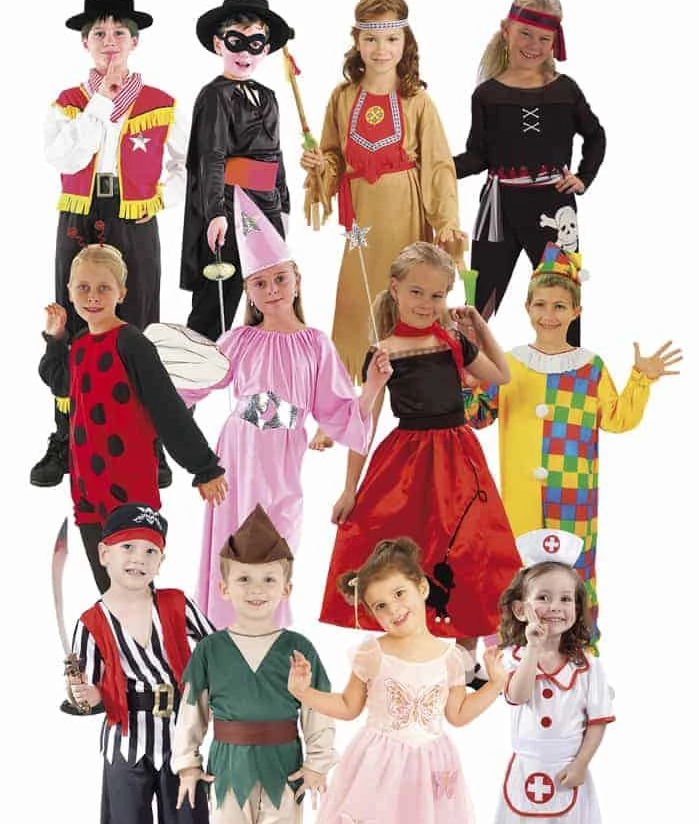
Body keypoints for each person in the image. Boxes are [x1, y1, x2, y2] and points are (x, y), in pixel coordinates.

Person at [155, 188, 390, 629]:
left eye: (280, 279)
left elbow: (340, 414)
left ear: (297, 279)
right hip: (237, 454)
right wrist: (157, 383)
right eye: (260, 283)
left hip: (282, 458)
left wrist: (373, 386)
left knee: (275, 544)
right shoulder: (240, 339)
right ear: (248, 291)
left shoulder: (315, 344)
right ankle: (223, 633)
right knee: (232, 541)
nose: (272, 290)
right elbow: (192, 387)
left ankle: (269, 634)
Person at [288, 537, 507, 824]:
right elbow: (348, 706)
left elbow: (458, 714)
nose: (393, 610)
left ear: (422, 588)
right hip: (375, 763)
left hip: (428, 769)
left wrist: (496, 684)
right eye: (380, 606)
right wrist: (304, 693)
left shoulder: (450, 657)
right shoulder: (372, 653)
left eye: (399, 594)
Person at [464, 243, 682, 647]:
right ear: (527, 308)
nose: (549, 314)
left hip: (573, 495)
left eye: (560, 306)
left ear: (575, 312)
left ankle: (577, 645)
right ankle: (514, 647)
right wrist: (465, 375)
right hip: (520, 497)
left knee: (573, 569)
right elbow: (478, 416)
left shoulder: (589, 367)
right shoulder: (508, 363)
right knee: (518, 567)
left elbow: (617, 419)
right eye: (541, 305)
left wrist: (641, 380)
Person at [319, 241, 521, 665]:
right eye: (416, 292)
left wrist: (479, 326)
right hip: (406, 464)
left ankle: (466, 654)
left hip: (458, 458)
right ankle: (407, 646)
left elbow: (501, 375)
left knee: (467, 547)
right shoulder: (383, 352)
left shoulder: (452, 341)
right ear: (395, 289)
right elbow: (364, 425)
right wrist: (349, 489)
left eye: (437, 295)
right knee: (408, 551)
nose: (426, 304)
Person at [32, 0, 186, 489]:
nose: (110, 41)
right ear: (85, 43)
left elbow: (187, 163)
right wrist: (101, 101)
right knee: (74, 317)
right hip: (80, 212)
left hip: (134, 215)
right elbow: (66, 158)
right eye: (99, 33)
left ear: (135, 42)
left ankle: (148, 440)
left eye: (119, 32)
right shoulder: (69, 102)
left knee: (138, 321)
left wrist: (157, 194)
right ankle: (67, 435)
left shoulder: (161, 103)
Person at [172, 505, 336, 824]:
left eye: (268, 579)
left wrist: (317, 763)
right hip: (229, 765)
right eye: (243, 579)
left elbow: (318, 708)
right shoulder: (210, 650)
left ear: (286, 587)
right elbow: (191, 711)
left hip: (284, 765)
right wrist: (187, 764)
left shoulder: (299, 648)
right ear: (224, 587)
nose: (256, 589)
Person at [67, 504, 217, 824]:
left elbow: (216, 649)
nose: (139, 558)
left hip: (179, 737)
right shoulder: (91, 622)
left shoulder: (175, 603)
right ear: (104, 554)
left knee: (191, 821)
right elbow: (91, 696)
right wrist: (83, 692)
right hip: (125, 738)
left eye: (150, 551)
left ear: (161, 560)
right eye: (128, 547)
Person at [38, 243, 228, 591]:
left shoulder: (132, 343)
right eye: (83, 287)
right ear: (69, 290)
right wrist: (55, 338)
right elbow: (59, 381)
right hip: (87, 490)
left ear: (121, 293)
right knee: (109, 590)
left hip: (130, 489)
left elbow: (167, 409)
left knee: (136, 588)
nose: (92, 296)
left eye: (103, 288)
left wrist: (204, 467)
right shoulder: (80, 345)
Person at [301, 0, 464, 387]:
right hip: (362, 223)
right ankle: (357, 390)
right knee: (360, 299)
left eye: (391, 38)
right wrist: (321, 168)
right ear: (356, 41)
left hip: (405, 213)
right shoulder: (342, 97)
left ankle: (415, 382)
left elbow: (438, 166)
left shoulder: (417, 100)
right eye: (371, 38)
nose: (381, 49)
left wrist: (446, 220)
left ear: (405, 42)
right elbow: (334, 155)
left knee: (409, 292)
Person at [488, 528, 615, 824]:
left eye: (565, 599)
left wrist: (581, 765)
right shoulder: (511, 658)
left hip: (567, 773)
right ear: (521, 608)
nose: (555, 607)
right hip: (526, 771)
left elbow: (597, 723)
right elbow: (518, 695)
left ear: (578, 608)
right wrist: (532, 649)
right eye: (543, 597)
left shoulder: (587, 665)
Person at [453, 0, 605, 345]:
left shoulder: (565, 90)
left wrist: (583, 177)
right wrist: (436, 167)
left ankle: (567, 370)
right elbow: (478, 156)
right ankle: (468, 370)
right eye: (525, 33)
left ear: (555, 42)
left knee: (561, 294)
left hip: (554, 207)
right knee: (481, 298)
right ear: (506, 30)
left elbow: (595, 135)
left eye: (543, 38)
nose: (533, 45)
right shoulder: (487, 95)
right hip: (499, 209)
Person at [181, 0, 293, 340]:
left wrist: (284, 206)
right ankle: (195, 368)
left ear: (265, 49)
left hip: (266, 206)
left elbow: (276, 155)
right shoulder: (215, 96)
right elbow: (211, 157)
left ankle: (264, 364)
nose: (245, 53)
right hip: (232, 205)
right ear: (220, 44)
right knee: (218, 298)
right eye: (236, 42)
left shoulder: (268, 96)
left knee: (271, 294)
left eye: (255, 43)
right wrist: (215, 212)